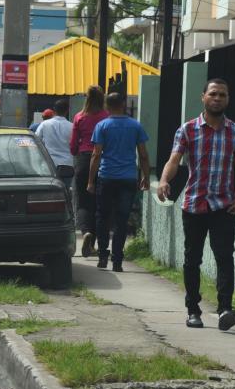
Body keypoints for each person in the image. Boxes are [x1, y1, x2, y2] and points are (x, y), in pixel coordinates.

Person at [157, 78, 235, 332]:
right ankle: (193, 309)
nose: (217, 98)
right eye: (213, 94)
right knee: (192, 259)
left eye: (222, 94)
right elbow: (174, 159)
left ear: (228, 99)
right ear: (203, 97)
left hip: (224, 205)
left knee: (224, 257)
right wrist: (165, 180)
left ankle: (225, 309)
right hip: (194, 204)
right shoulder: (188, 129)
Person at [86, 93, 150, 272]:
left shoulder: (102, 126)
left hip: (106, 177)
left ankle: (102, 256)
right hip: (128, 178)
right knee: (122, 220)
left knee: (102, 216)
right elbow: (143, 154)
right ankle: (117, 260)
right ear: (123, 104)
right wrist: (145, 176)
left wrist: (91, 180)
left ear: (106, 106)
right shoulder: (135, 126)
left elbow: (96, 154)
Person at [70, 85, 110, 256]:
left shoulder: (79, 117)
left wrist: (77, 151)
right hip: (102, 161)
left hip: (83, 160)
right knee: (98, 203)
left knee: (82, 201)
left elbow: (72, 145)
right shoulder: (106, 117)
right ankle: (93, 243)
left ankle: (85, 231)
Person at [36, 100, 74, 187]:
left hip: (49, 165)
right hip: (67, 165)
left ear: (54, 110)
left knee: (48, 193)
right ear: (67, 110)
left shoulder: (44, 124)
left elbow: (37, 141)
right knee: (66, 193)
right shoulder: (72, 126)